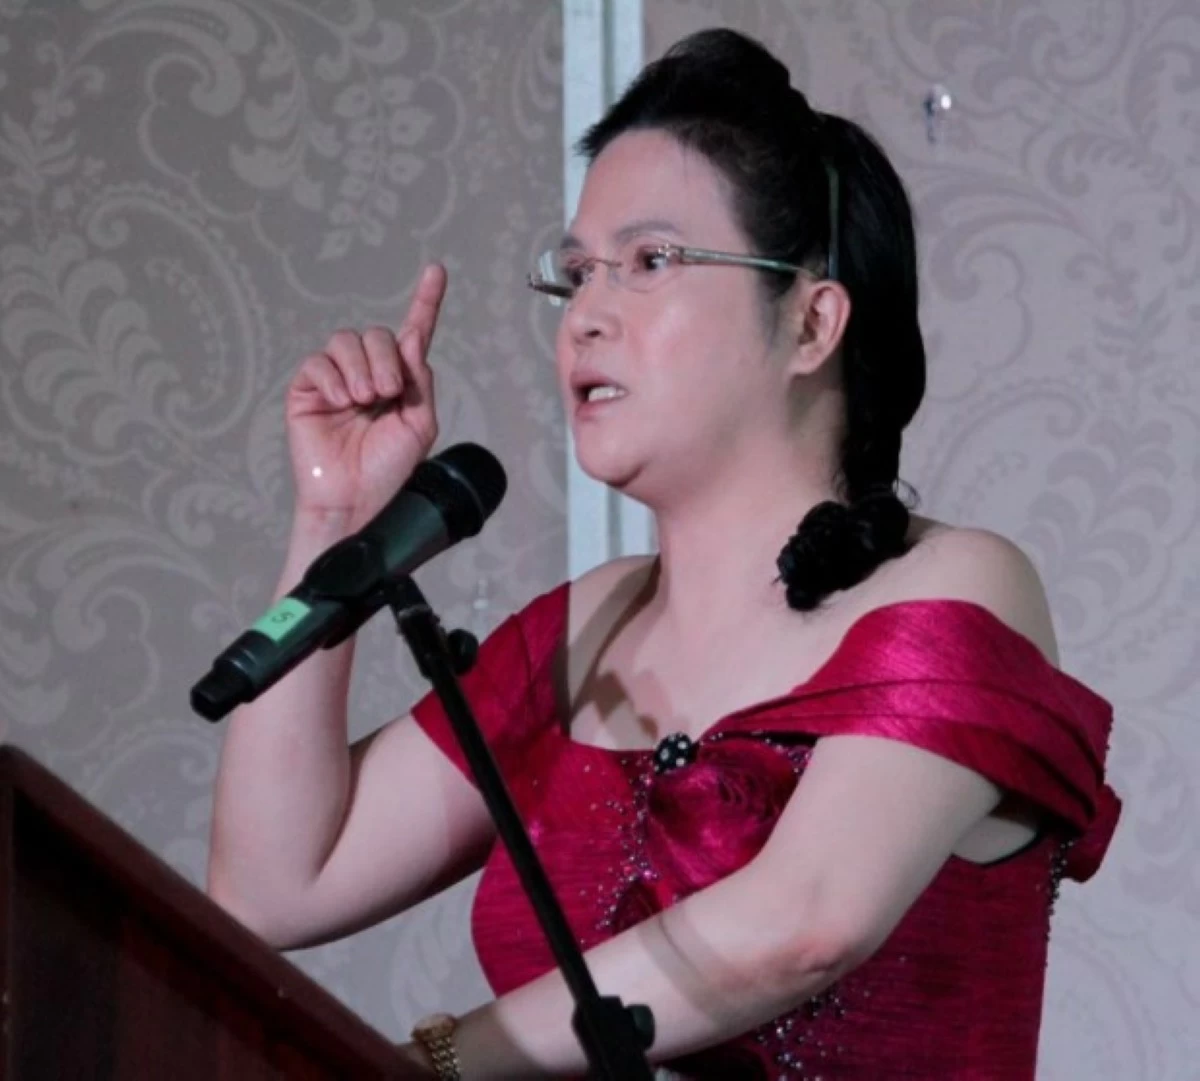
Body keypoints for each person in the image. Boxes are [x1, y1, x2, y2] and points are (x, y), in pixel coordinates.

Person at [207, 28, 1121, 1080]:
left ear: (812, 323)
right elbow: (273, 888)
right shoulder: (583, 630)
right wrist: (334, 518)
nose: (586, 316)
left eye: (650, 262)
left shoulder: (960, 588)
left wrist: (445, 1059)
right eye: (577, 274)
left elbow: (804, 921)